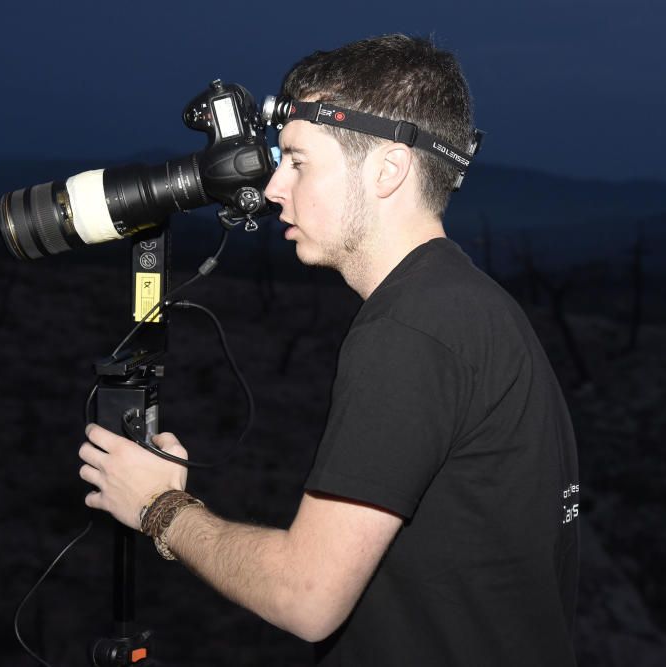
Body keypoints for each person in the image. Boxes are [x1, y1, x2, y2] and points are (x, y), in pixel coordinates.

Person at [78, 34, 580, 665]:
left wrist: (159, 506)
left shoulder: (412, 331)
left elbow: (306, 598)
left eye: (297, 160)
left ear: (387, 170)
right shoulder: (469, 307)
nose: (271, 188)